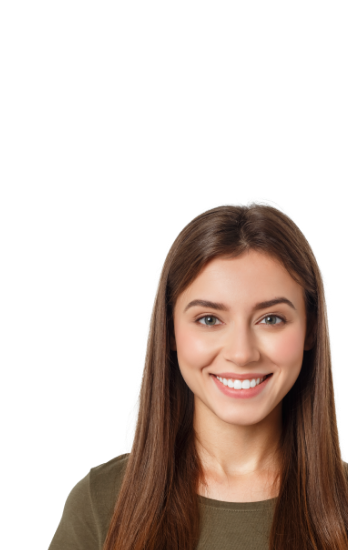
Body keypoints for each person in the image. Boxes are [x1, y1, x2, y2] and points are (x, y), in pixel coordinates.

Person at [49, 199, 348, 550]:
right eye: (209, 319)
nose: (241, 353)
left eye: (271, 319)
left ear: (311, 329)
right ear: (172, 331)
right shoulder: (101, 503)